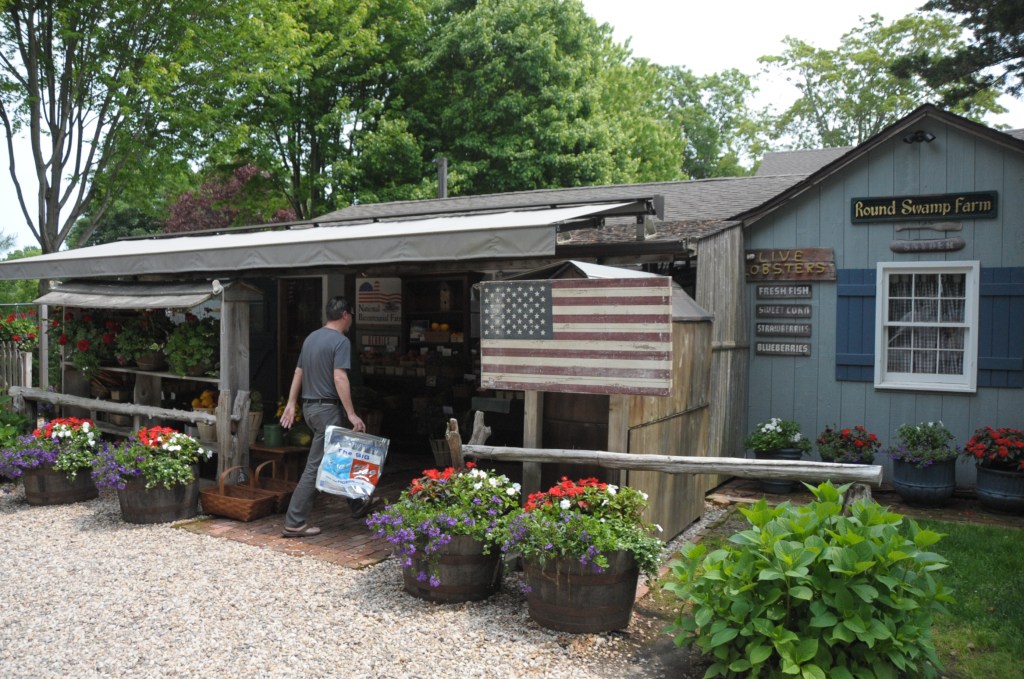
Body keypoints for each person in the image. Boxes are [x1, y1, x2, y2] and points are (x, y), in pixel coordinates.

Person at [279, 296, 369, 537]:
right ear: (346, 315)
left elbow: (299, 372)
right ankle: (294, 521)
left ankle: (358, 502)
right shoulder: (340, 341)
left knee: (339, 455)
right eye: (351, 316)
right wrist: (351, 413)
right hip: (327, 410)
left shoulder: (311, 338)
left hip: (310, 409)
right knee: (315, 467)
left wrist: (291, 403)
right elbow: (340, 377)